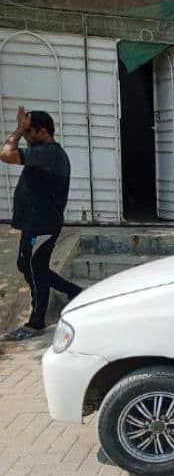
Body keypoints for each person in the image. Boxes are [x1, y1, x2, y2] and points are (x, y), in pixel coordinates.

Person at [0, 107, 83, 341]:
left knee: (35, 269)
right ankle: (73, 291)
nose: (25, 137)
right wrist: (22, 129)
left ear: (43, 132)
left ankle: (36, 323)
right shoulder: (44, 152)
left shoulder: (50, 153)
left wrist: (17, 129)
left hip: (43, 225)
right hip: (35, 223)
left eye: (29, 133)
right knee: (26, 265)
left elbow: (6, 154)